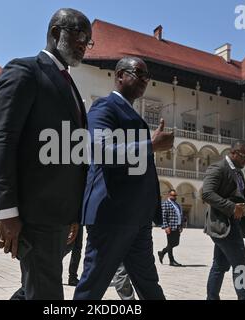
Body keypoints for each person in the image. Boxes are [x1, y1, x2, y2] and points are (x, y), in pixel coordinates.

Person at [0, 8, 92, 300]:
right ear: (55, 32)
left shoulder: (70, 84)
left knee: (33, 287)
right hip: (35, 213)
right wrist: (7, 210)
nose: (84, 44)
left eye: (89, 40)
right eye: (80, 35)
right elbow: (4, 140)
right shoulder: (25, 71)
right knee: (47, 293)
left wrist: (74, 212)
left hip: (60, 215)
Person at [73, 57, 174, 300]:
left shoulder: (132, 115)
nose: (144, 80)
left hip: (137, 219)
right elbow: (101, 151)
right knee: (93, 286)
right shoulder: (104, 107)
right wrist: (150, 144)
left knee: (149, 285)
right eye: (138, 73)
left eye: (147, 77)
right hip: (112, 216)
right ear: (119, 75)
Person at [202, 140, 245, 300]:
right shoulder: (218, 168)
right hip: (222, 224)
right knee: (242, 265)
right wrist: (232, 207)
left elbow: (244, 200)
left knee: (220, 265)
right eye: (244, 157)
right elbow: (207, 194)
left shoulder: (238, 173)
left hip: (234, 224)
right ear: (233, 153)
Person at [158, 189, 184, 267]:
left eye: (175, 195)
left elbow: (180, 215)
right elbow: (163, 216)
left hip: (177, 226)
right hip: (170, 227)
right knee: (170, 243)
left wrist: (181, 226)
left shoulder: (177, 204)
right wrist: (166, 226)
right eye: (173, 195)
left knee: (176, 243)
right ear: (169, 195)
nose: (175, 197)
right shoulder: (165, 204)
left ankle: (162, 253)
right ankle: (171, 261)